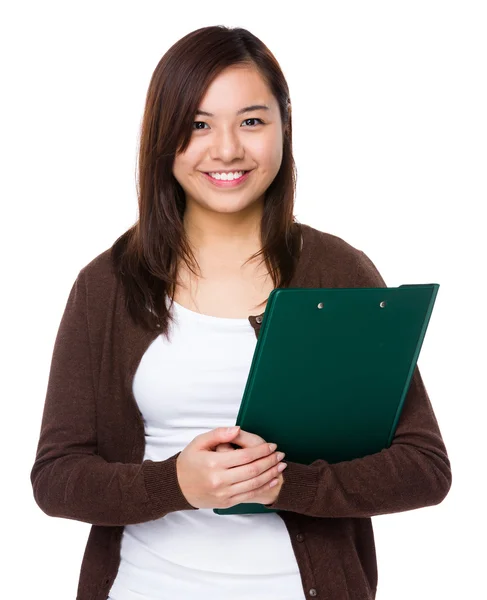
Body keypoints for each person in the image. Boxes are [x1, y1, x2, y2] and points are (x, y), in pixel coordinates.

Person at [30, 25, 452, 600]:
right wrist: (173, 483)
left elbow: (424, 466)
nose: (227, 149)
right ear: (163, 137)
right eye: (198, 124)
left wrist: (283, 484)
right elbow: (56, 478)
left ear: (284, 128)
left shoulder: (338, 271)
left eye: (251, 121)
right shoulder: (107, 284)